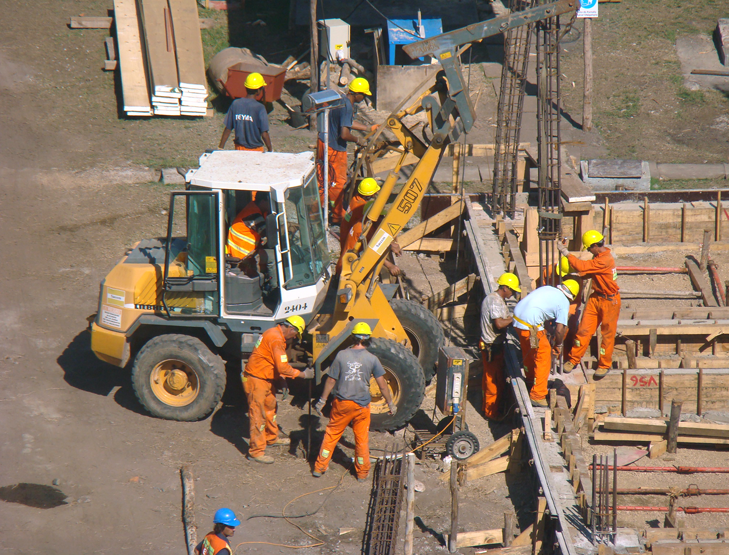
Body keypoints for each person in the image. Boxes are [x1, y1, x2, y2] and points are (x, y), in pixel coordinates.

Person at [312, 322, 396, 481]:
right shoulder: (372, 359)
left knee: (331, 435)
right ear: (367, 339)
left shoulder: (341, 355)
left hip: (342, 404)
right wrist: (390, 403)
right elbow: (382, 384)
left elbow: (330, 380)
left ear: (353, 337)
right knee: (361, 439)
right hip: (362, 406)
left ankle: (319, 467)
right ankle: (362, 473)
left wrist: (322, 400)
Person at [243, 316, 315, 464]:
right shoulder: (276, 339)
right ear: (291, 329)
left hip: (266, 378)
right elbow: (282, 366)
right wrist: (302, 374)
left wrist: (281, 380)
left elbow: (273, 362)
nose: (293, 337)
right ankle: (256, 452)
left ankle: (271, 437)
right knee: (258, 415)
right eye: (295, 334)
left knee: (270, 408)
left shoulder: (274, 334)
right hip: (257, 380)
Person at [557, 230, 620, 379]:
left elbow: (583, 266)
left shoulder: (605, 260)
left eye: (588, 248)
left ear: (594, 245)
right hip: (596, 298)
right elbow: (590, 271)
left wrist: (565, 252)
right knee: (583, 330)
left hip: (610, 302)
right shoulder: (599, 257)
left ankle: (604, 364)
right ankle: (573, 359)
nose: (588, 251)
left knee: (607, 335)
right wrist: (575, 274)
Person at [317, 77, 378, 224]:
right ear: (356, 93)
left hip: (324, 143)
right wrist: (358, 140)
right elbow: (344, 134)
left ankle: (317, 210)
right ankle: (338, 216)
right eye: (363, 95)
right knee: (337, 182)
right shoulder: (348, 107)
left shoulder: (340, 101)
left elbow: (347, 122)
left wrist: (367, 128)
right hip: (334, 149)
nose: (363, 98)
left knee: (322, 179)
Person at [513, 280, 579, 407]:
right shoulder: (564, 302)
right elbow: (560, 330)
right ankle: (537, 395)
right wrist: (558, 344)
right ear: (572, 296)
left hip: (518, 321)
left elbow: (544, 316)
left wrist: (550, 333)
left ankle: (531, 380)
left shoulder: (548, 288)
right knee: (544, 357)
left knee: (530, 351)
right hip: (531, 327)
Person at [336, 177, 402, 277]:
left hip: (347, 236)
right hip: (349, 268)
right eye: (380, 217)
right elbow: (370, 251)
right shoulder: (363, 228)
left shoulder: (356, 201)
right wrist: (390, 265)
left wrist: (392, 242)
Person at [480, 273, 520, 420]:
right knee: (493, 381)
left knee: (491, 379)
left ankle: (488, 408)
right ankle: (491, 413)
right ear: (505, 287)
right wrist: (514, 318)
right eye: (512, 290)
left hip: (492, 344)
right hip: (492, 346)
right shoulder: (495, 302)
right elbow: (499, 324)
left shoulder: (494, 298)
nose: (513, 293)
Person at [219, 72, 273, 152]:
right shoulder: (260, 108)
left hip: (239, 149)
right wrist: (270, 149)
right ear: (258, 90)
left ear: (246, 87)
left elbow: (228, 128)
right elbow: (264, 133)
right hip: (256, 150)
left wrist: (220, 148)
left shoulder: (236, 104)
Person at [227, 192, 270, 278]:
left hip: (249, 254)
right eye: (269, 202)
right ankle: (274, 286)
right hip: (243, 257)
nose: (270, 206)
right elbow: (267, 234)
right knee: (271, 257)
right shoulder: (252, 214)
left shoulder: (256, 209)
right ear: (262, 201)